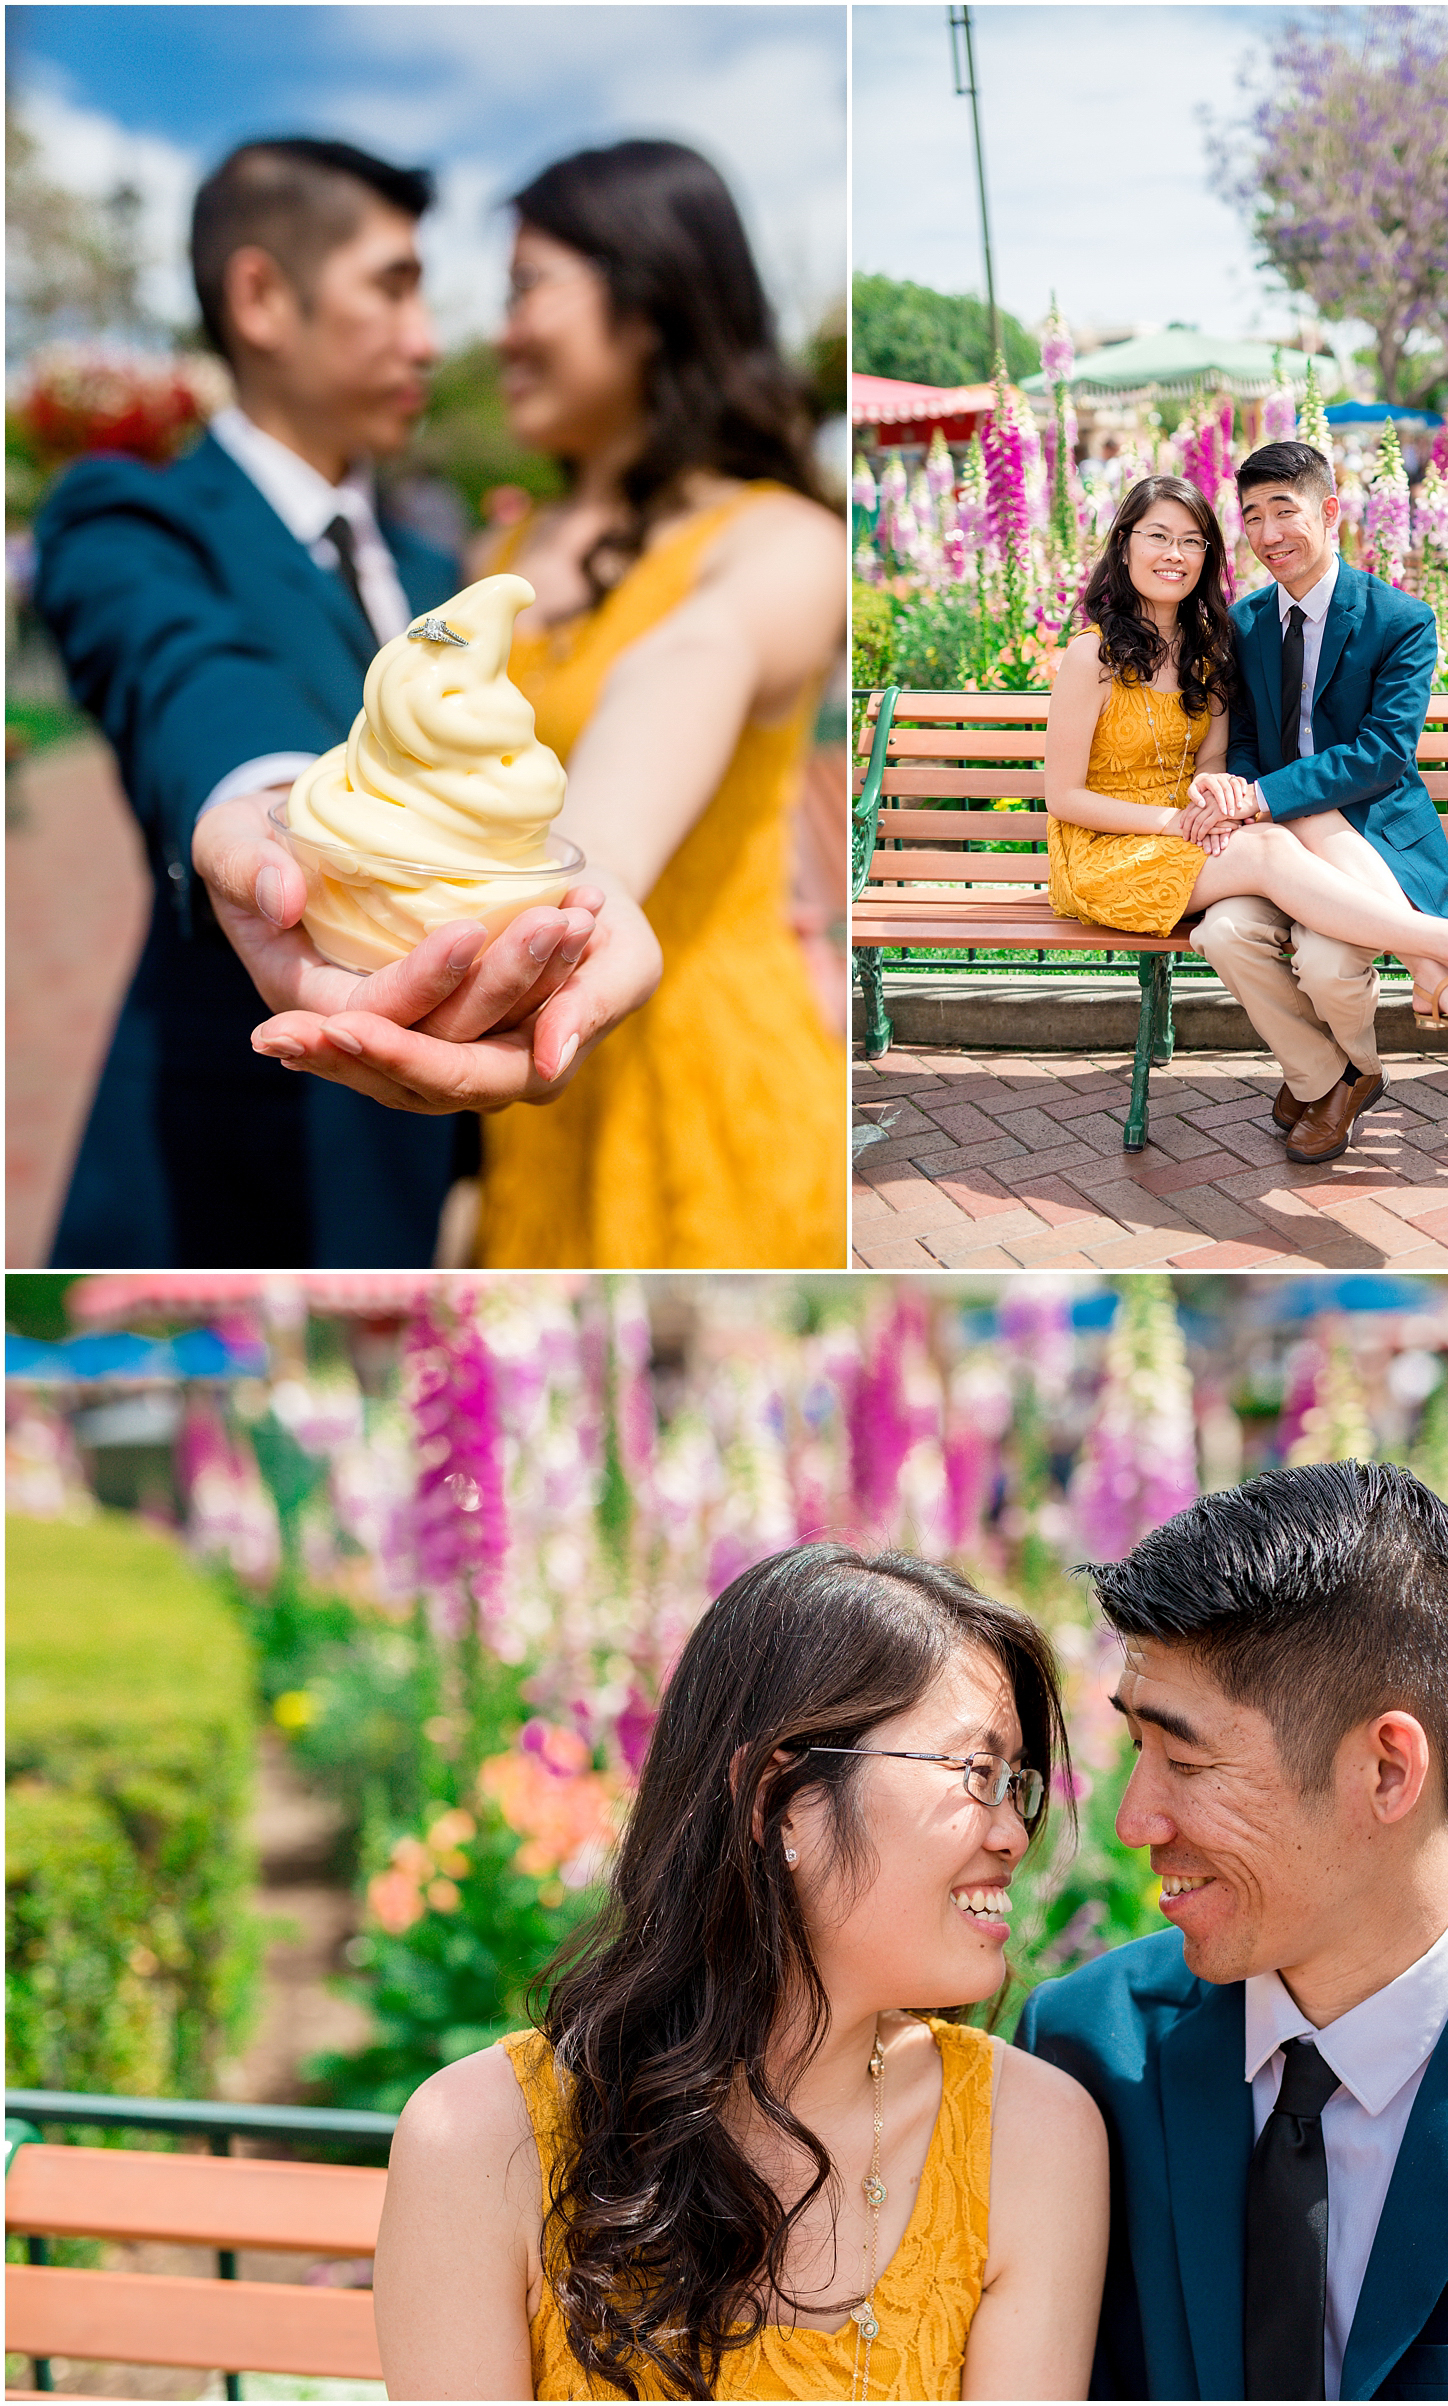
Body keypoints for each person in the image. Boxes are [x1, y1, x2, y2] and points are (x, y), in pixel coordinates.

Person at [33, 138, 657, 1269]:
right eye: (393, 286)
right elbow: (184, 671)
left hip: (432, 1186)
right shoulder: (131, 518)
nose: (429, 341)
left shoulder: (434, 574)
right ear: (263, 296)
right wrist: (279, 809)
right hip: (219, 1184)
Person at [274, 140, 843, 1270]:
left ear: (646, 299)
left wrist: (585, 895)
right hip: (531, 1096)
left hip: (704, 1072)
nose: (501, 333)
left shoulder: (786, 542)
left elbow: (685, 663)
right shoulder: (502, 549)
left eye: (528, 287)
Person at [1018, 1463, 1448, 2403]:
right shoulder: (1082, 2056)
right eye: (1138, 1749)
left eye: (1186, 1758)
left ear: (1386, 1772)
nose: (1135, 1822)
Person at [374, 1545, 1108, 2400]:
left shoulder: (1030, 2138)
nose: (1013, 1834)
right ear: (774, 1798)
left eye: (1014, 1782)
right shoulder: (479, 2142)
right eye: (976, 1773)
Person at [1043, 464, 1448, 1166]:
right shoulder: (1230, 629)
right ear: (1124, 544)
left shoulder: (1392, 621)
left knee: (1295, 942)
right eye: (1251, 516)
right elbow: (1232, 756)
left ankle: (1333, 1072)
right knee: (1234, 922)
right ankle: (1436, 971)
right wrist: (1229, 802)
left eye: (1193, 540)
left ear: (1329, 511)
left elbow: (1378, 754)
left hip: (1359, 852)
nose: (1267, 533)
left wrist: (1242, 798)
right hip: (1201, 848)